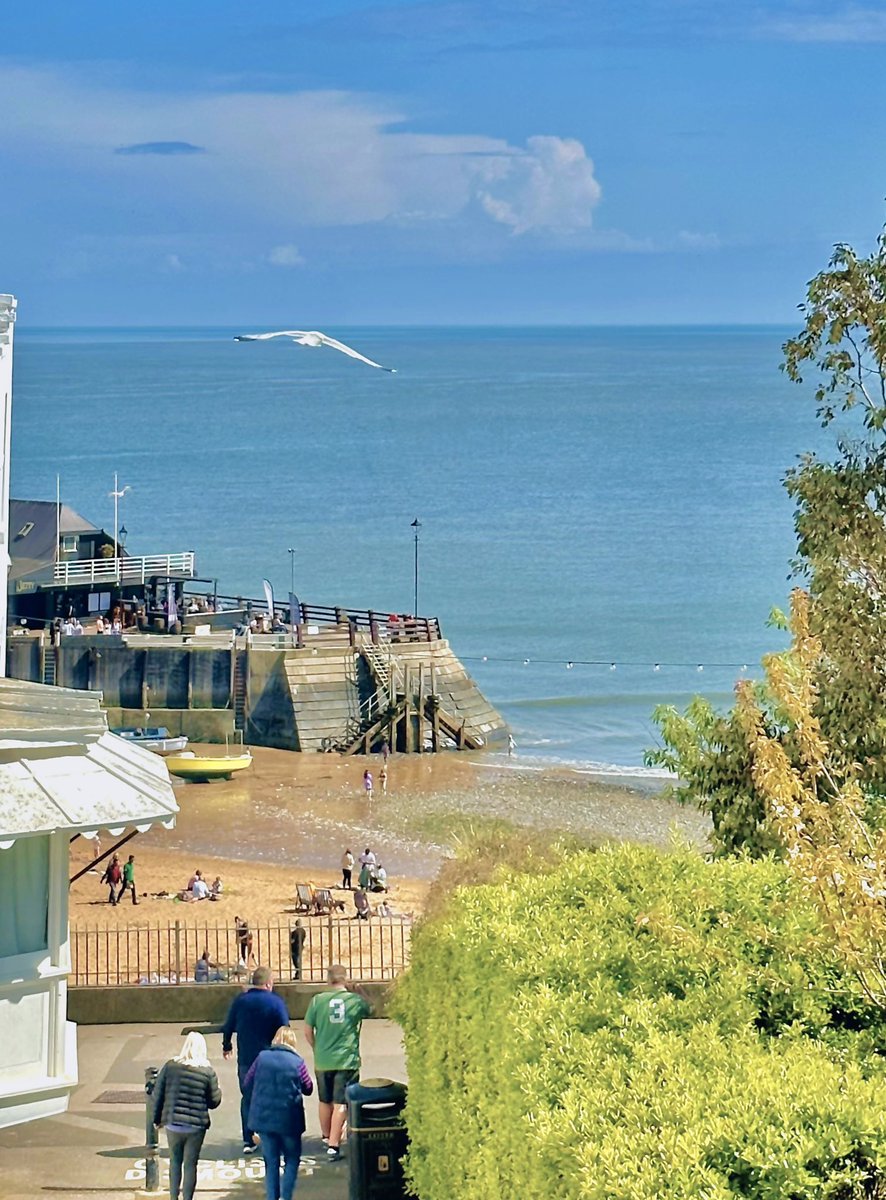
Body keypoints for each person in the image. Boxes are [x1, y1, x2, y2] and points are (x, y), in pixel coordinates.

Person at [304, 964, 373, 1162]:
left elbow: (308, 1031)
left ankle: (326, 1136)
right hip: (346, 1059)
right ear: (345, 979)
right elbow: (372, 1009)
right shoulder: (354, 1001)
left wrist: (317, 1048)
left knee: (324, 1100)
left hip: (323, 1059)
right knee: (341, 1102)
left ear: (328, 979)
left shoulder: (317, 1001)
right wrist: (360, 992)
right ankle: (334, 1145)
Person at [222, 966, 290, 1155]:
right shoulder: (276, 1002)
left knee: (248, 1099)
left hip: (246, 1059)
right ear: (268, 983)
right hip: (271, 1059)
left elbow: (228, 1025)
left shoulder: (241, 1001)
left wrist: (226, 1045)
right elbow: (285, 1029)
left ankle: (248, 1139)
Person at [244, 1027, 313, 1200]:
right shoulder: (297, 1062)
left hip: (265, 1120)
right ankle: (286, 1196)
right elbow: (308, 1088)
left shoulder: (261, 1058)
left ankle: (272, 1197)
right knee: (291, 1159)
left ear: (275, 1040)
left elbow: (247, 1082)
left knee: (271, 1162)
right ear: (293, 1043)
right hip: (289, 1120)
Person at [151, 1032, 221, 1200]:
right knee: (190, 1165)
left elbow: (158, 1094)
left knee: (175, 1162)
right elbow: (214, 1101)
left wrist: (156, 1119)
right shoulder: (207, 1071)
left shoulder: (170, 1066)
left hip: (173, 1123)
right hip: (196, 1127)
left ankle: (173, 1197)